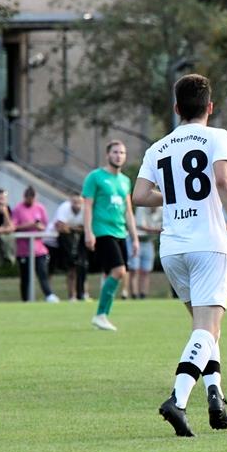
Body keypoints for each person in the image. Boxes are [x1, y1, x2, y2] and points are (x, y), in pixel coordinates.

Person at [133, 73, 227, 437]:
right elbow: (223, 181)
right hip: (206, 243)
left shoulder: (158, 148)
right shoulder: (217, 136)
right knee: (207, 328)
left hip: (172, 248)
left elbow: (138, 196)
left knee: (204, 330)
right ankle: (178, 400)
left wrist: (173, 195)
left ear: (177, 108)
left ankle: (216, 394)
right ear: (210, 107)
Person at [83, 140, 140, 331]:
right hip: (102, 231)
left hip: (120, 232)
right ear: (108, 155)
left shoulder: (125, 181)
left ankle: (103, 316)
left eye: (122, 153)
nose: (119, 156)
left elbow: (128, 211)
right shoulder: (95, 177)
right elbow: (88, 206)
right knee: (119, 271)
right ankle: (100, 314)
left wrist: (134, 237)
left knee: (116, 274)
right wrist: (88, 231)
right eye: (115, 152)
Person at [12, 186, 59, 302]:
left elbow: (45, 226)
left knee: (42, 272)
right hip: (24, 249)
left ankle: (49, 295)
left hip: (39, 249)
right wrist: (29, 225)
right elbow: (14, 226)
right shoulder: (18, 209)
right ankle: (25, 299)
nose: (31, 202)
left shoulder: (40, 208)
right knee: (25, 276)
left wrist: (39, 227)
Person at [53, 193, 89, 301]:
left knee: (83, 266)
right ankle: (72, 295)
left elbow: (86, 227)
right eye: (74, 202)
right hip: (64, 240)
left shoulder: (85, 209)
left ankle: (83, 293)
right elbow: (61, 227)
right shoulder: (64, 208)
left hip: (79, 240)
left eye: (79, 202)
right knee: (71, 268)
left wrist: (71, 227)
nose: (77, 205)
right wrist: (75, 228)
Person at [127, 206, 163, 299]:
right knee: (134, 269)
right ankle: (134, 295)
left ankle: (143, 295)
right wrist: (157, 230)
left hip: (148, 241)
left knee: (146, 270)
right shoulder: (141, 208)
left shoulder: (161, 209)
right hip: (135, 240)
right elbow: (140, 226)